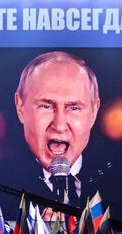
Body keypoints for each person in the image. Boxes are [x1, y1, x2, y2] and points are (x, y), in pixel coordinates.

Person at [13, 51, 101, 201]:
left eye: (74, 108)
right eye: (46, 106)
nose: (59, 126)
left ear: (93, 112)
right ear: (20, 107)